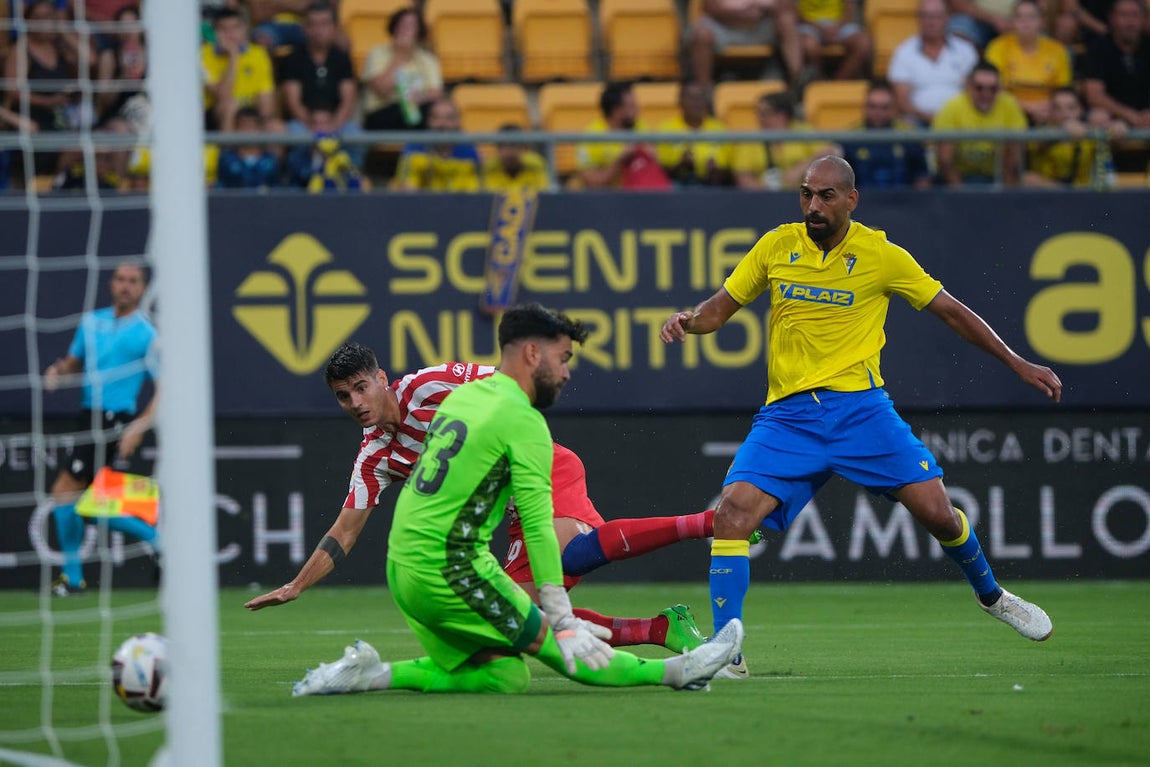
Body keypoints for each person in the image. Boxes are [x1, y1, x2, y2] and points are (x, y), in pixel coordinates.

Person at [660, 155, 1059, 679]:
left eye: (826, 195)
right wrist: (687, 321)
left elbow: (952, 312)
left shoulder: (881, 255)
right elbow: (717, 309)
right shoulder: (777, 245)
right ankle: (726, 653)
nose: (813, 205)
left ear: (852, 199)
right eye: (806, 194)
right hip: (789, 416)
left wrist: (1016, 361)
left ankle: (992, 596)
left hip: (862, 410)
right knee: (731, 515)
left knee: (939, 514)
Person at [254, 305, 744, 696]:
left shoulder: (439, 386)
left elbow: (504, 385)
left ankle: (703, 530)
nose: (357, 402)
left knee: (563, 564)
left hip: (524, 481)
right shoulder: (375, 456)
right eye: (344, 396)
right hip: (483, 528)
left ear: (381, 377)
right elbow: (344, 530)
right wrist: (298, 584)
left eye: (361, 387)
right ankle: (662, 630)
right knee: (525, 618)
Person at [45, 260, 159, 596]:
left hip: (115, 419)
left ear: (141, 288)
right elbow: (73, 364)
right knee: (91, 502)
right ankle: (159, 541)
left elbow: (164, 389)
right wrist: (57, 371)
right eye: (120, 279)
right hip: (87, 416)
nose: (125, 285)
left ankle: (73, 577)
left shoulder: (147, 333)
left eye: (133, 281)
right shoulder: (91, 323)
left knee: (65, 492)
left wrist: (138, 427)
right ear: (111, 283)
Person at [931, 60, 1028, 186]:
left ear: (1000, 88)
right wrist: (962, 197)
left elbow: (1013, 158)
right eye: (979, 88)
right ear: (968, 86)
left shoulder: (1009, 105)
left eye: (992, 89)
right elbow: (945, 160)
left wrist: (1004, 196)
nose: (986, 94)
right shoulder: (952, 107)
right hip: (960, 177)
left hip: (996, 177)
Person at [887, 0, 979, 126]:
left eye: (937, 16)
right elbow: (902, 102)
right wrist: (933, 118)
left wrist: (951, 118)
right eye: (926, 16)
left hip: (960, 121)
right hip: (919, 122)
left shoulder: (966, 50)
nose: (931, 22)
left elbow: (974, 91)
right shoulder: (903, 53)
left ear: (947, 18)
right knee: (906, 126)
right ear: (918, 18)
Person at [279, 3, 359, 145]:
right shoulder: (293, 59)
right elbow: (293, 103)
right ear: (305, 29)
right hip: (303, 124)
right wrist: (314, 125)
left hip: (336, 123)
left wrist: (333, 125)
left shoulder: (342, 59)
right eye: (313, 24)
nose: (318, 30)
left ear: (334, 28)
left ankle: (347, 168)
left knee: (355, 134)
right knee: (294, 134)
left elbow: (348, 101)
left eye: (324, 24)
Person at [983, 0, 1072, 124]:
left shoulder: (1058, 51)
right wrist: (1028, 108)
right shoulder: (997, 47)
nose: (1026, 22)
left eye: (1031, 17)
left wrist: (1048, 108)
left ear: (1041, 21)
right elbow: (994, 89)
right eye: (1019, 17)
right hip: (1008, 112)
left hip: (1048, 113)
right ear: (1013, 22)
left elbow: (1063, 91)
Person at [1023, 86, 1127, 188]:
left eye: (1071, 107)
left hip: (1083, 197)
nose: (1064, 113)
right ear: (1050, 111)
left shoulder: (1089, 132)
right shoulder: (1041, 131)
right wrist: (1063, 130)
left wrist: (1117, 126)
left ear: (1080, 110)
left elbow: (1113, 144)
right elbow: (1041, 143)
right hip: (1048, 196)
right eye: (1057, 108)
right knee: (1028, 179)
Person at [732, 91, 838, 190]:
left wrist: (800, 170)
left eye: (765, 113)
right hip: (763, 198)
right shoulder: (753, 139)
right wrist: (766, 193)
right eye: (758, 113)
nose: (760, 118)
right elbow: (743, 175)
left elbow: (832, 152)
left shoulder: (804, 132)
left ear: (782, 115)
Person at [574, 81, 668, 190]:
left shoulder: (640, 126)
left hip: (639, 194)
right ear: (616, 111)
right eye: (632, 106)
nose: (638, 110)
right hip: (607, 198)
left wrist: (652, 155)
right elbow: (592, 182)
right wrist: (620, 160)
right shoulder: (592, 136)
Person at [361, 7, 443, 132]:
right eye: (400, 25)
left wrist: (418, 98)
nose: (404, 30)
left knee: (437, 113)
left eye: (410, 26)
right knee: (412, 113)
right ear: (393, 28)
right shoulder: (378, 53)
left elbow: (436, 93)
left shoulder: (428, 59)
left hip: (417, 111)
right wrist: (399, 57)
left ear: (419, 32)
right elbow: (382, 90)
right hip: (382, 114)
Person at [688, 0, 803, 87]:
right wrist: (742, 14)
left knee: (786, 19)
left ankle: (797, 81)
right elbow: (709, 7)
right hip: (724, 25)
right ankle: (704, 90)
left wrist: (768, 8)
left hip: (760, 25)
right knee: (701, 35)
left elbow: (789, 7)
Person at [200, 8, 281, 132]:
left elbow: (265, 96)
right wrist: (233, 57)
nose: (230, 34)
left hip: (250, 111)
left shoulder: (258, 54)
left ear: (245, 30)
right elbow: (222, 96)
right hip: (214, 114)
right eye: (224, 29)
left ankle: (264, 152)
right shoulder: (203, 55)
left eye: (235, 28)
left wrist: (265, 120)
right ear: (215, 32)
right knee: (230, 106)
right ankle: (228, 151)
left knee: (276, 127)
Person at [842, 81, 933, 189]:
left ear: (894, 109)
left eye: (884, 107)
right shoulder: (850, 138)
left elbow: (922, 179)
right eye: (872, 107)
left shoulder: (909, 137)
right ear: (864, 108)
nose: (878, 112)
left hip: (904, 202)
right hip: (862, 203)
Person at [1081, 0, 1150, 131]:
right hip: (1113, 116)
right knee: (1098, 117)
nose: (1130, 22)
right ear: (1112, 19)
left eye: (1135, 15)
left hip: (1147, 115)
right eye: (1123, 15)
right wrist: (1131, 116)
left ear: (1143, 19)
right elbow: (1094, 95)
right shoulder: (1097, 49)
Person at [654, 81, 734, 187]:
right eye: (692, 98)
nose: (697, 103)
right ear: (680, 102)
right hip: (679, 184)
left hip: (714, 185)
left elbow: (731, 171)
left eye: (701, 98)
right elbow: (661, 170)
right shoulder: (666, 130)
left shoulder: (720, 129)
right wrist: (680, 166)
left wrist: (717, 171)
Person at [392, 96, 481, 191]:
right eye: (436, 118)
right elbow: (407, 191)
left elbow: (473, 191)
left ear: (458, 122)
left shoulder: (468, 149)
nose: (442, 124)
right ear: (428, 121)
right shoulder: (414, 147)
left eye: (449, 118)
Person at [796, 0, 872, 80]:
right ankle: (818, 81)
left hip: (839, 24)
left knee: (863, 43)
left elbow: (850, 8)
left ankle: (837, 83)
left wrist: (836, 28)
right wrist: (821, 29)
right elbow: (794, 12)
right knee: (809, 45)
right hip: (810, 25)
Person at [482, 124, 550, 192]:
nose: (510, 151)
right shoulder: (488, 168)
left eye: (514, 145)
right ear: (498, 148)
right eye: (505, 146)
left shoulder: (536, 165)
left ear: (523, 147)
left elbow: (544, 194)